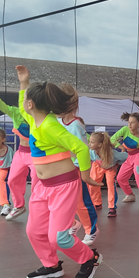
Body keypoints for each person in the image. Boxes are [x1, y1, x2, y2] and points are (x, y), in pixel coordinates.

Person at [16, 65, 102, 278]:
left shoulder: (50, 126)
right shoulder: (34, 119)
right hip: (42, 187)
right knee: (34, 231)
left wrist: (85, 176)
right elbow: (21, 105)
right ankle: (51, 265)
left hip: (63, 186)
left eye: (26, 99)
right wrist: (24, 82)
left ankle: (90, 258)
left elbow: (81, 148)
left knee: (59, 238)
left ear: (31, 104)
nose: (23, 102)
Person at [58, 97, 100, 246]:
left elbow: (81, 150)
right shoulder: (56, 122)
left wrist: (84, 172)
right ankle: (73, 223)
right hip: (61, 168)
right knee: (64, 202)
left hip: (74, 168)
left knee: (81, 202)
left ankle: (91, 229)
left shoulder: (76, 125)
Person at [0, 91, 32, 220]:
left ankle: (43, 210)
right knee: (12, 180)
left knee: (39, 183)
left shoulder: (41, 115)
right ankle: (18, 206)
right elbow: (4, 107)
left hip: (36, 153)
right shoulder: (16, 112)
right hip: (21, 152)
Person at [112, 112, 139, 208]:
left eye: (132, 122)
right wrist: (120, 147)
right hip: (129, 156)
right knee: (120, 178)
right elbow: (112, 139)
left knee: (137, 172)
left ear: (138, 124)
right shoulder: (125, 130)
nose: (129, 125)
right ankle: (130, 195)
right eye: (129, 122)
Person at [88, 131, 128, 217]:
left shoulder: (112, 153)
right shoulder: (91, 152)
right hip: (97, 166)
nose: (89, 144)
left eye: (92, 142)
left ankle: (112, 207)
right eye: (89, 142)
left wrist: (117, 165)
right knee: (93, 183)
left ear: (99, 144)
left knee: (111, 185)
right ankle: (97, 202)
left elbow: (125, 156)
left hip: (110, 168)